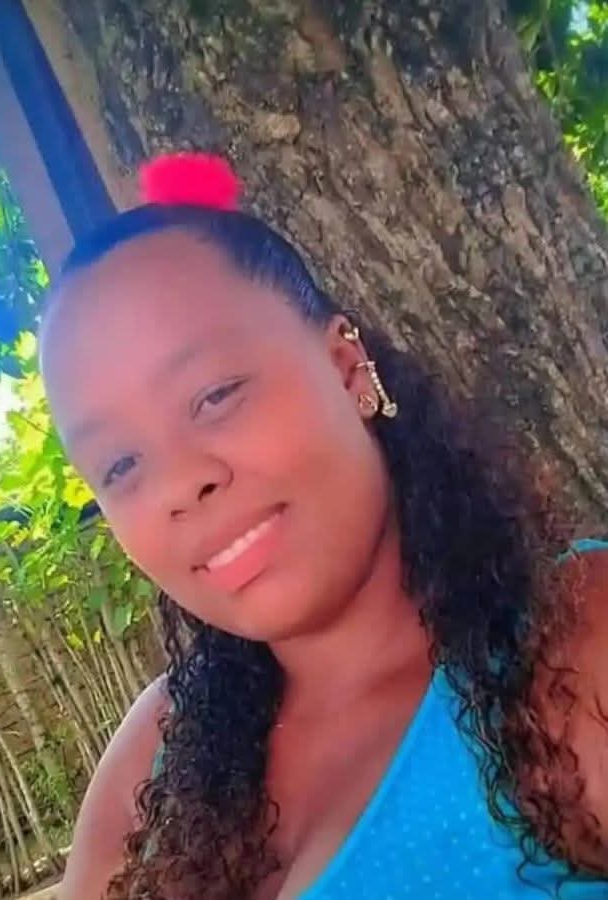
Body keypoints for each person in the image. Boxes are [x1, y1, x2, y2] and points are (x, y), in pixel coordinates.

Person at [39, 154, 608, 900]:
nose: (178, 483)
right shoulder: (157, 759)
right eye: (119, 465)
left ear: (346, 369)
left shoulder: (571, 646)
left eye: (215, 396)